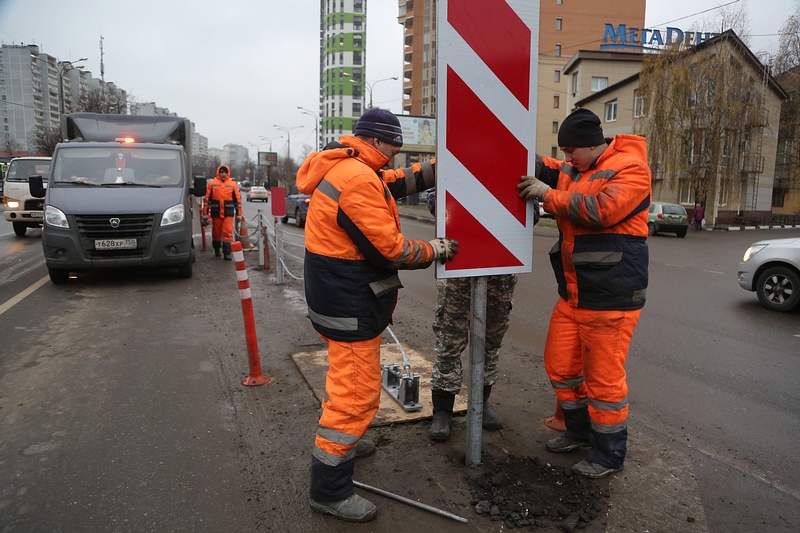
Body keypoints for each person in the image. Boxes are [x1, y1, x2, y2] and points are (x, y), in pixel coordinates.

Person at [296, 107, 458, 523]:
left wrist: (447, 161)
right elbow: (392, 249)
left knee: (345, 381)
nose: (395, 159)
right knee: (355, 397)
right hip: (348, 302)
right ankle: (329, 491)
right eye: (394, 148)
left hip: (335, 298)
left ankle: (347, 443)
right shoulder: (357, 180)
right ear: (380, 141)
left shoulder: (350, 167)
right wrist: (434, 250)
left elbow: (396, 182)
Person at [517, 108, 650, 479]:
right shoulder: (574, 169)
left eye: (571, 150)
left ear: (593, 145)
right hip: (574, 293)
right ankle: (577, 431)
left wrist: (548, 196)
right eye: (563, 151)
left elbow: (600, 209)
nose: (565, 158)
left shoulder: (631, 168)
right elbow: (542, 165)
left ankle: (608, 454)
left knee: (604, 380)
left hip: (611, 295)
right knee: (561, 365)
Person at [426, 189, 539, 441]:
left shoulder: (516, 156)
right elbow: (435, 202)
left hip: (501, 260)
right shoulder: (452, 152)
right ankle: (442, 411)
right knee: (449, 339)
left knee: (491, 340)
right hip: (459, 259)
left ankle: (481, 403)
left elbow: (533, 214)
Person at [204, 165, 242, 260]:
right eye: (222, 172)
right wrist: (205, 213)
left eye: (225, 173)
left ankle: (227, 253)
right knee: (216, 232)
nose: (223, 174)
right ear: (219, 173)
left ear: (228, 173)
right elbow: (207, 200)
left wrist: (239, 214)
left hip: (228, 212)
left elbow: (237, 200)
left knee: (227, 233)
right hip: (216, 212)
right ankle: (217, 249)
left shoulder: (233, 185)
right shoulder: (212, 184)